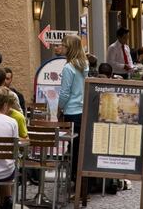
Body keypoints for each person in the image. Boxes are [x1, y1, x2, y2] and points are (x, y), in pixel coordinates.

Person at [58, 34, 88, 182]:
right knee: (80, 148)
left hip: (71, 111)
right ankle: (80, 182)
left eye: (63, 45)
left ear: (69, 48)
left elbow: (64, 93)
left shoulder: (68, 68)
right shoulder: (84, 65)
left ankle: (75, 180)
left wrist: (60, 108)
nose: (61, 47)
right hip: (83, 111)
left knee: (73, 147)